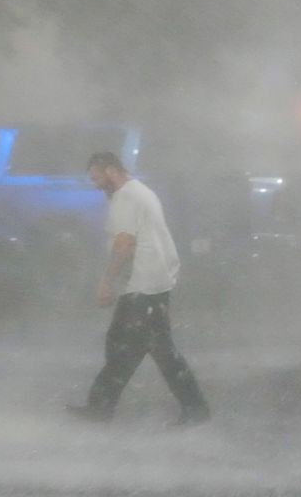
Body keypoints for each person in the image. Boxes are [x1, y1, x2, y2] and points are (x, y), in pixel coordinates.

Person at [67, 151, 210, 426]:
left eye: (97, 178)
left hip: (143, 287)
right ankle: (100, 407)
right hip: (151, 283)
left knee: (155, 351)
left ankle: (195, 410)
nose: (96, 185)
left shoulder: (125, 197)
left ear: (111, 171)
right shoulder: (141, 191)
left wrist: (106, 282)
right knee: (125, 346)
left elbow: (124, 244)